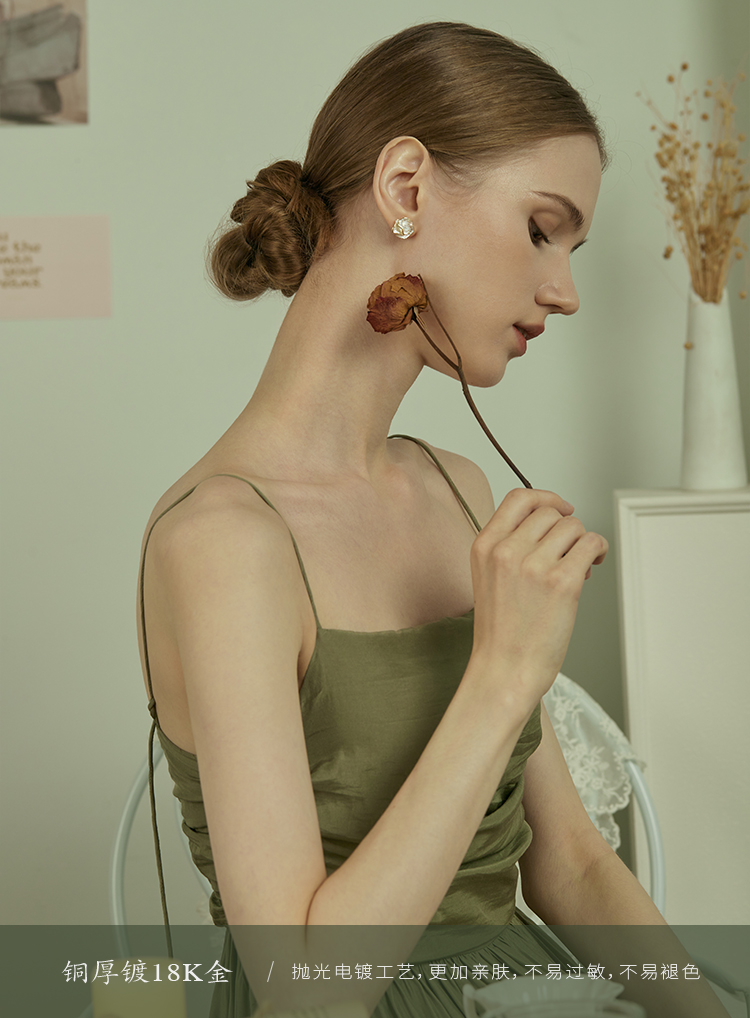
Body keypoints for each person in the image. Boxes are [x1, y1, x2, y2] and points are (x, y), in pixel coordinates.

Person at [138, 22, 730, 1018]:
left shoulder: (459, 490)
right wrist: (502, 674)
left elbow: (574, 866)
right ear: (405, 188)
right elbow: (305, 992)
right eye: (541, 229)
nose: (565, 293)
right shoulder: (223, 541)